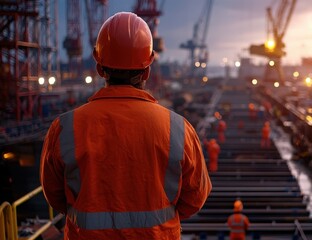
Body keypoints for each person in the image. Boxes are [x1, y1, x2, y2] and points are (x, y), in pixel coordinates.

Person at [40, 12, 212, 240]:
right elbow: (195, 198)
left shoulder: (64, 128)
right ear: (147, 70)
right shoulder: (178, 128)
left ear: (100, 69)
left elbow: (54, 195)